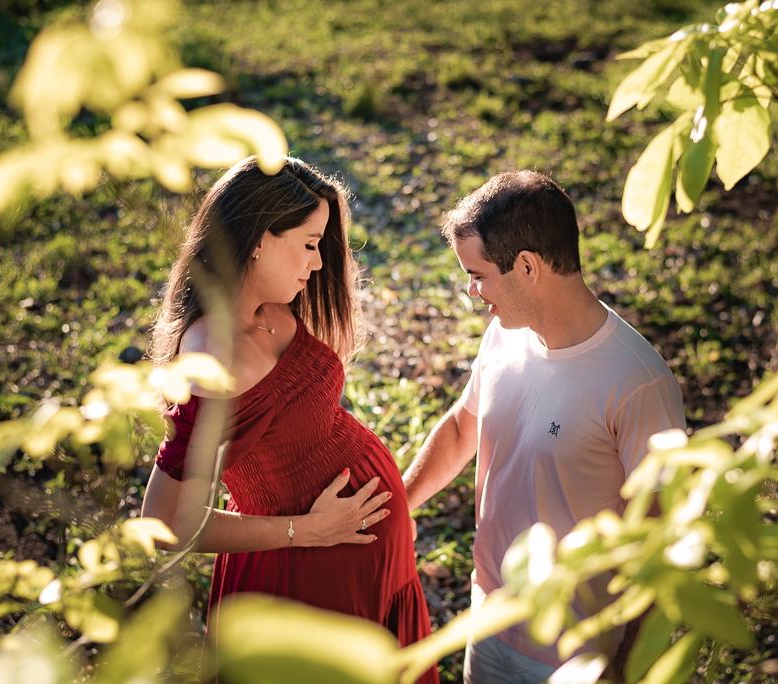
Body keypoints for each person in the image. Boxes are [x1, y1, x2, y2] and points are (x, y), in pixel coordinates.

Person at [142, 156, 438, 684]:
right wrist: (307, 531)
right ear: (257, 238)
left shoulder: (274, 308)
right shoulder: (214, 358)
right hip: (308, 579)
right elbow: (166, 522)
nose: (319, 263)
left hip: (364, 559)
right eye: (308, 244)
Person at [402, 171, 686, 683]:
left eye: (479, 274)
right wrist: (397, 505)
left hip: (579, 655)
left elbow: (661, 537)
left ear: (528, 266)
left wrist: (626, 665)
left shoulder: (638, 383)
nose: (472, 291)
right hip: (490, 617)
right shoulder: (504, 336)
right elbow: (464, 428)